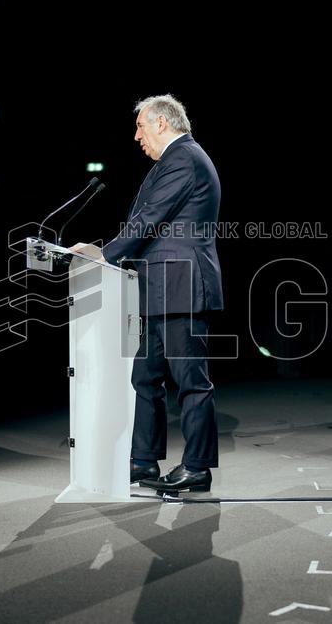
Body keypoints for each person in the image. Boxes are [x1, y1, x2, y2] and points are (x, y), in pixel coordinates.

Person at [72, 94, 223, 492]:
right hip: (161, 287)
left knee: (191, 382)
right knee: (145, 378)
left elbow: (150, 219)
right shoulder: (174, 160)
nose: (136, 135)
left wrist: (104, 255)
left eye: (140, 125)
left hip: (182, 285)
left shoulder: (184, 158)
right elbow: (147, 219)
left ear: (161, 123)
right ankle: (143, 463)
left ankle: (197, 468)